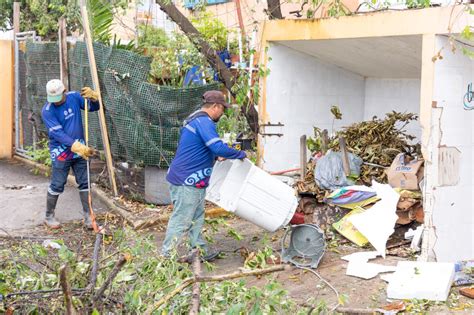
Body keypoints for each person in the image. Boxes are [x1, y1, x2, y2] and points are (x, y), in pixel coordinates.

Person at [162, 90, 246, 260]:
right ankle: (166, 257)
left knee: (197, 217)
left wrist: (215, 156)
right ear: (215, 106)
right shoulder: (203, 122)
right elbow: (218, 147)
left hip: (193, 179)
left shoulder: (196, 120)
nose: (223, 113)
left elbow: (197, 147)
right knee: (182, 219)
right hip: (186, 179)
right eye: (222, 109)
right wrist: (241, 154)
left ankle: (198, 251)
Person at [41, 79, 100, 229]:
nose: (56, 101)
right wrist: (77, 146)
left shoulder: (74, 97)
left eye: (58, 97)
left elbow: (93, 108)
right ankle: (49, 216)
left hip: (80, 149)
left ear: (64, 90)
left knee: (85, 181)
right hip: (61, 152)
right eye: (52, 98)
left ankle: (88, 216)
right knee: (58, 183)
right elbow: (58, 134)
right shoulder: (47, 111)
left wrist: (94, 98)